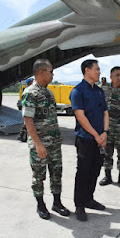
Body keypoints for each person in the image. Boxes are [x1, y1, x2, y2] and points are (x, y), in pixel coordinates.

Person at [21, 59, 70, 220]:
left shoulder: (48, 92)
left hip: (54, 143)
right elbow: (28, 120)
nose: (53, 74)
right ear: (42, 72)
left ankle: (57, 203)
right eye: (51, 72)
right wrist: (38, 144)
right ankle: (40, 205)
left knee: (57, 173)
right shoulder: (30, 92)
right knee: (39, 176)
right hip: (40, 145)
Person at [70, 59, 109, 222]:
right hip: (86, 139)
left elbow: (105, 112)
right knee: (83, 172)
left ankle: (89, 199)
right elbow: (81, 116)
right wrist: (95, 135)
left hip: (100, 139)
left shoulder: (99, 91)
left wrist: (105, 132)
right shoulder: (78, 91)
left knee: (95, 170)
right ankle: (80, 205)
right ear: (87, 71)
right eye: (97, 69)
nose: (99, 72)